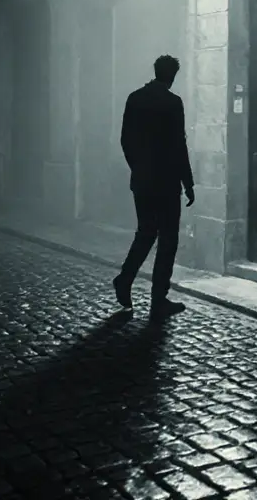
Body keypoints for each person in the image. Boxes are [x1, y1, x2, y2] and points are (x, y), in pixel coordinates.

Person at [112, 54, 195, 317]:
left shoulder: (135, 98)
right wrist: (188, 182)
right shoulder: (173, 103)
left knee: (146, 232)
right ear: (172, 76)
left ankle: (125, 278)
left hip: (143, 180)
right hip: (168, 181)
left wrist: (138, 168)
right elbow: (179, 145)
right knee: (168, 238)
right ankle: (158, 299)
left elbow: (125, 140)